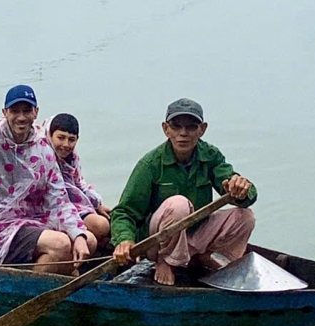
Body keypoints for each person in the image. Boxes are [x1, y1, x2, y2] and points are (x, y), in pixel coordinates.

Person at [0, 84, 95, 274]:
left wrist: (78, 233)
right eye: (15, 111)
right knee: (61, 244)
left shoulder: (43, 151)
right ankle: (26, 289)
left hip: (28, 221)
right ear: (5, 112)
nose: (21, 117)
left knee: (89, 241)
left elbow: (59, 201)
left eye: (27, 110)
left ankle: (28, 283)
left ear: (36, 112)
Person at [110, 98, 257, 285]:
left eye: (191, 127)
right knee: (178, 204)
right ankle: (167, 261)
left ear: (202, 129)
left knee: (245, 216)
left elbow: (233, 183)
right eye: (176, 126)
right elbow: (124, 212)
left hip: (195, 233)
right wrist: (124, 240)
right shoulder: (151, 164)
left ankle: (200, 256)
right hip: (157, 242)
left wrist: (241, 190)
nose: (183, 134)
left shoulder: (210, 156)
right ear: (166, 129)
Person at [43, 113, 111, 243]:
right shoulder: (41, 155)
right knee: (96, 230)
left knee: (102, 225)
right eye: (61, 138)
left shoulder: (72, 158)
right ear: (50, 135)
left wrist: (97, 203)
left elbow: (79, 183)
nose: (66, 144)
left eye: (71, 139)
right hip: (47, 208)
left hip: (72, 204)